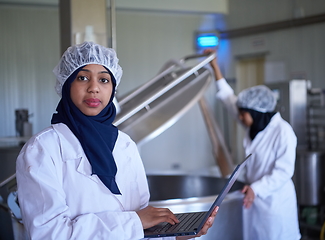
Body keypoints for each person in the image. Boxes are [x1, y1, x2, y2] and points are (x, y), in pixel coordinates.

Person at [15, 41, 218, 240]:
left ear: (113, 88)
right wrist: (134, 222)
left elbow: (142, 226)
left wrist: (174, 235)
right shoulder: (42, 149)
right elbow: (49, 234)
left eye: (104, 80)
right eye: (83, 78)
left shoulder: (124, 144)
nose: (94, 88)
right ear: (67, 84)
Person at [204, 49, 301, 240]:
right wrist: (214, 65)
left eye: (243, 113)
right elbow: (228, 98)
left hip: (275, 202)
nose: (239, 117)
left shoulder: (283, 132)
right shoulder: (254, 123)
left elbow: (284, 171)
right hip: (254, 200)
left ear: (256, 112)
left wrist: (257, 188)